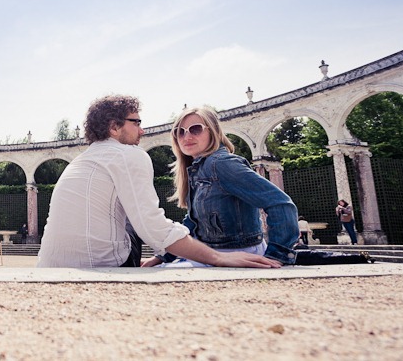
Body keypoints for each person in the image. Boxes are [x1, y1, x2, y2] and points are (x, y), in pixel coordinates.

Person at [37, 95, 281, 268]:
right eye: (137, 122)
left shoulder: (82, 159)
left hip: (48, 263)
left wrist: (164, 256)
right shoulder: (129, 155)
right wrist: (218, 258)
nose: (142, 131)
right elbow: (151, 226)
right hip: (101, 262)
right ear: (114, 127)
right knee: (135, 220)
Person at [145, 106, 299, 267]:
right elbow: (193, 221)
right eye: (180, 131)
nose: (187, 136)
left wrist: (278, 256)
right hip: (213, 254)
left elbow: (281, 203)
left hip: (236, 253)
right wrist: (163, 256)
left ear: (213, 132)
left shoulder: (221, 164)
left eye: (195, 129)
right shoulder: (197, 169)